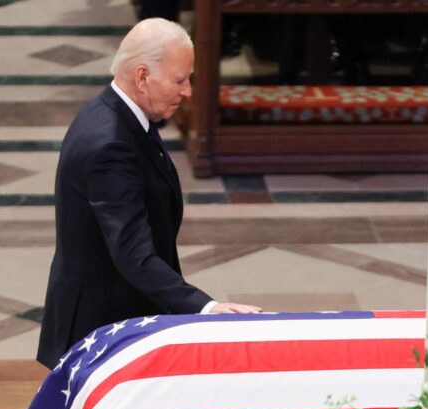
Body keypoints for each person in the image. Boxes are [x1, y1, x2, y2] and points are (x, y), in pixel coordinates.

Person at [37, 18, 261, 369]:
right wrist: (207, 308)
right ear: (142, 76)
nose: (187, 91)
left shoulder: (114, 114)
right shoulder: (110, 144)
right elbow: (132, 253)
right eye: (179, 80)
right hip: (102, 326)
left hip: (118, 310)